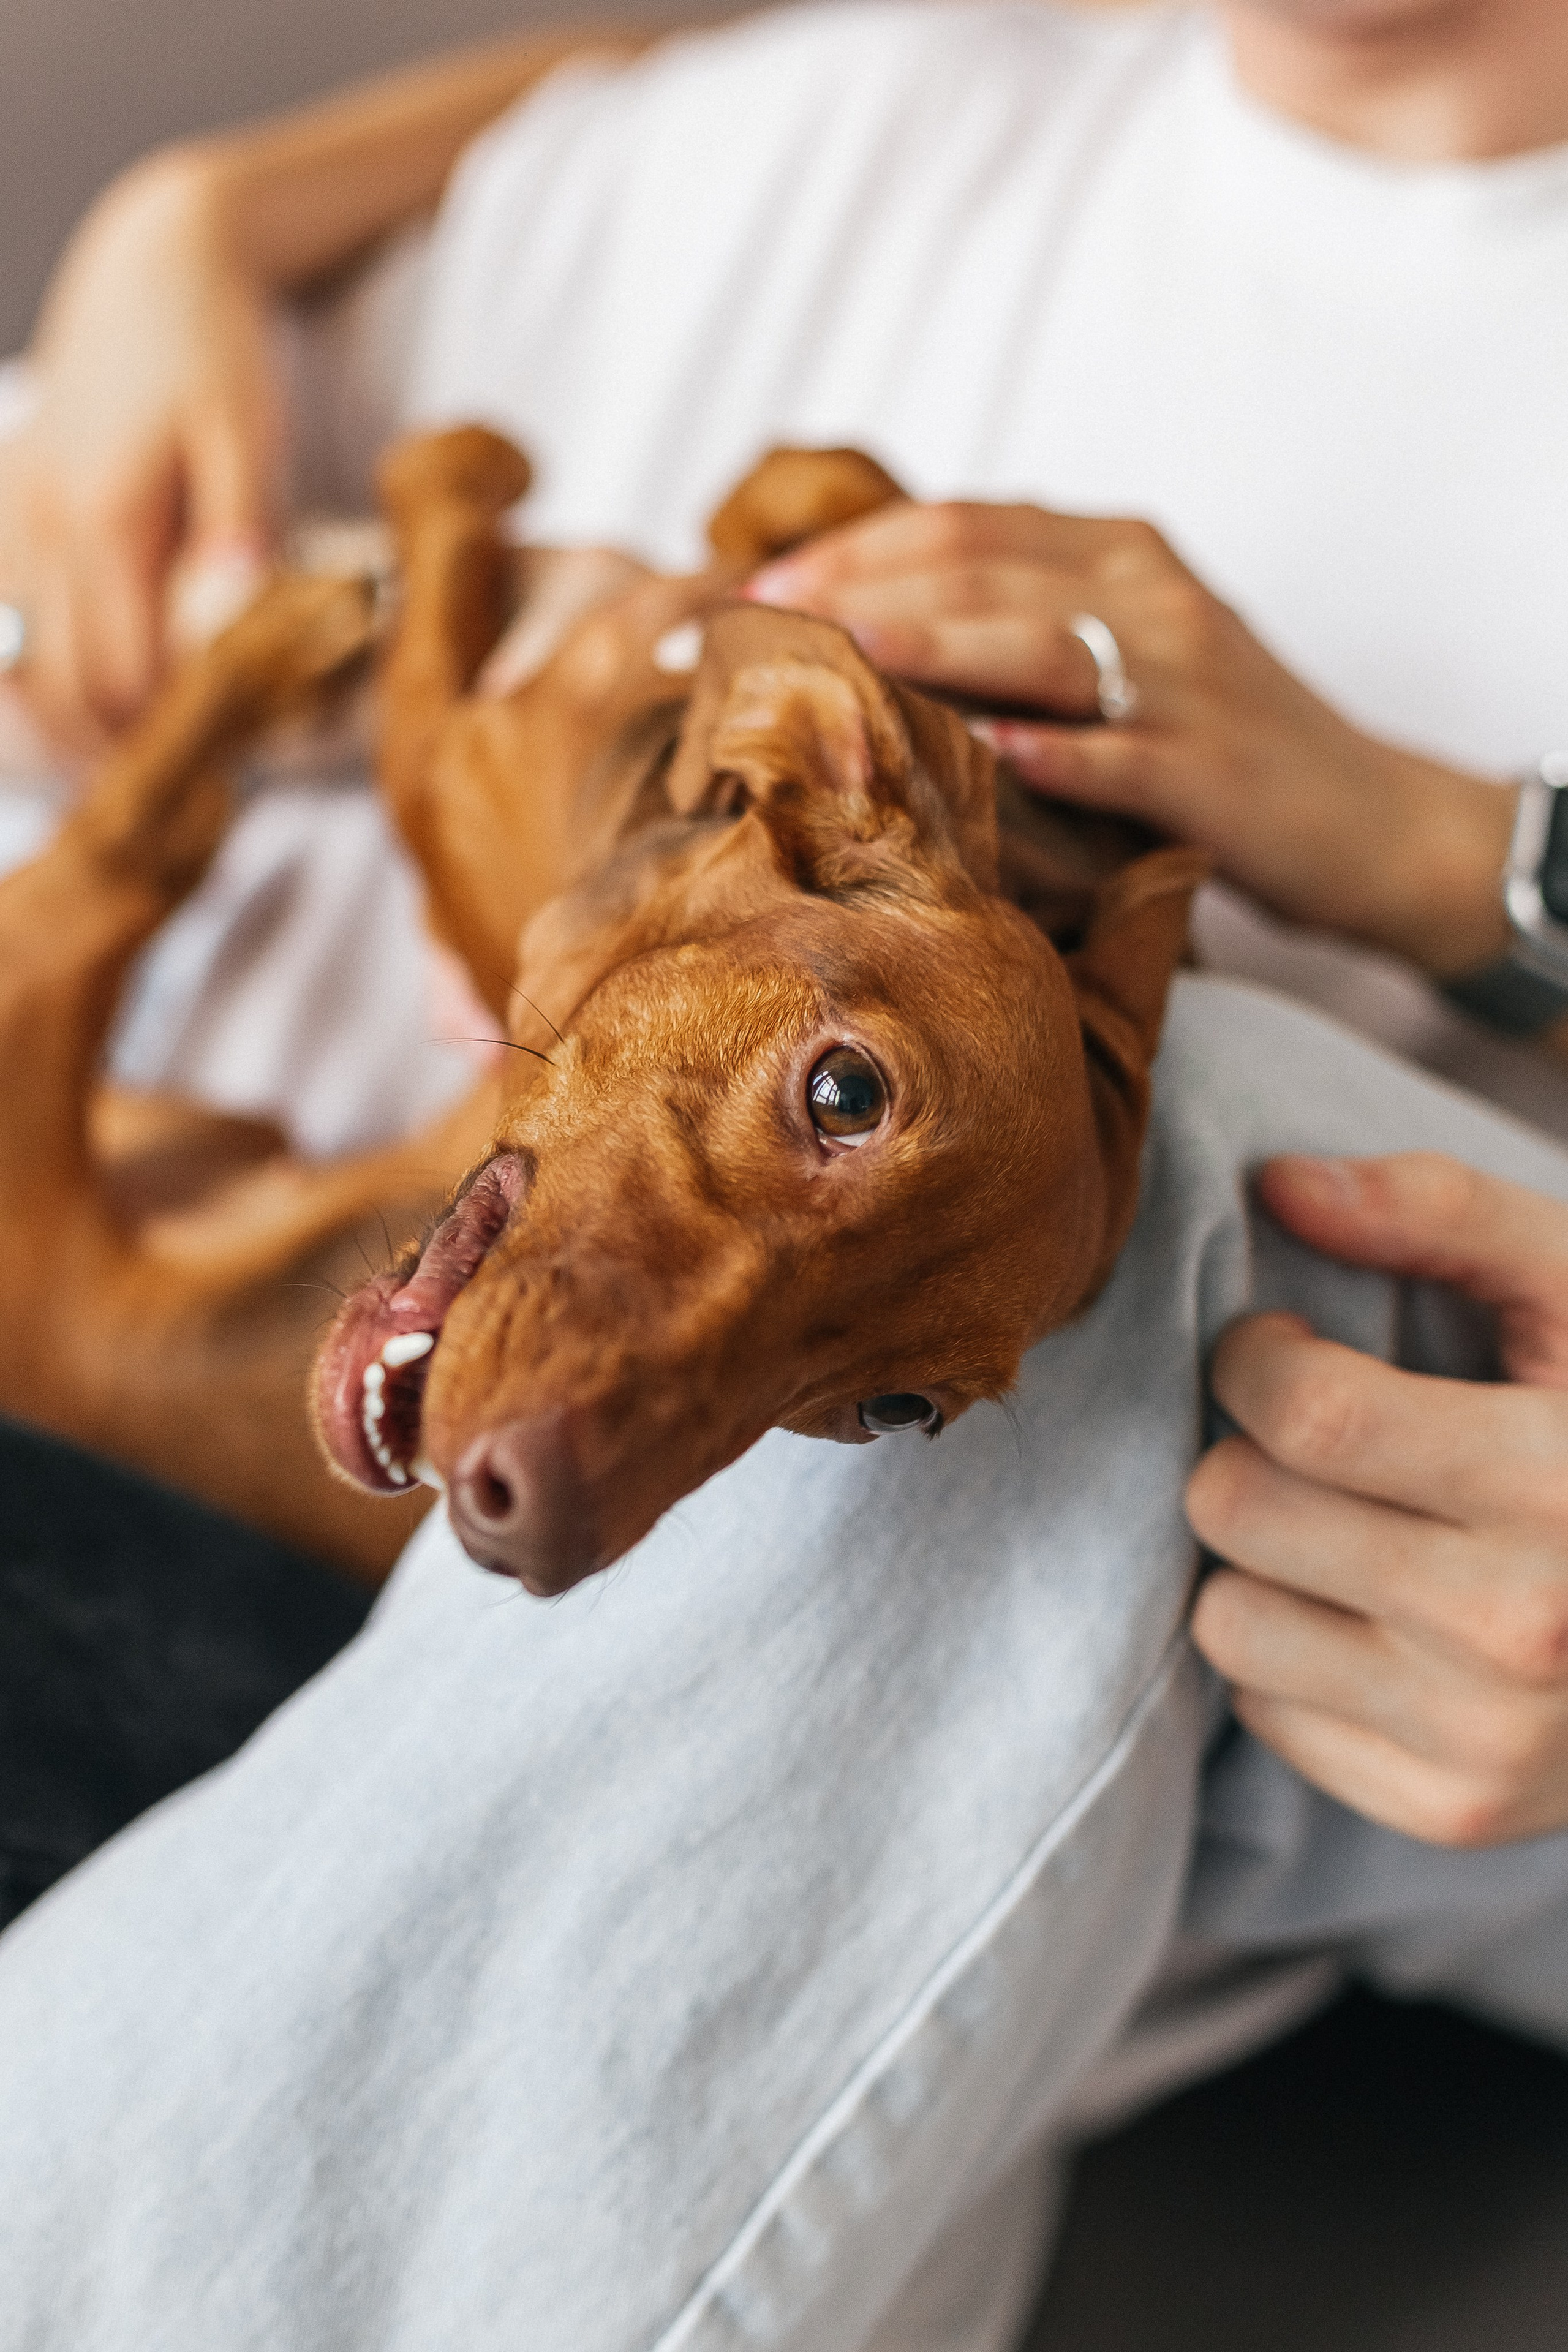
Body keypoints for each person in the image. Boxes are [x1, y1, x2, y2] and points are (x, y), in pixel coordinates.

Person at [1, 2, 1568, 2342]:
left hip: (632, 1880)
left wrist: (1489, 863)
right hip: (114, 1566)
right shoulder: (783, 126)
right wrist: (199, 236)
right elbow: (61, 610)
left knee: (1098, 1144)